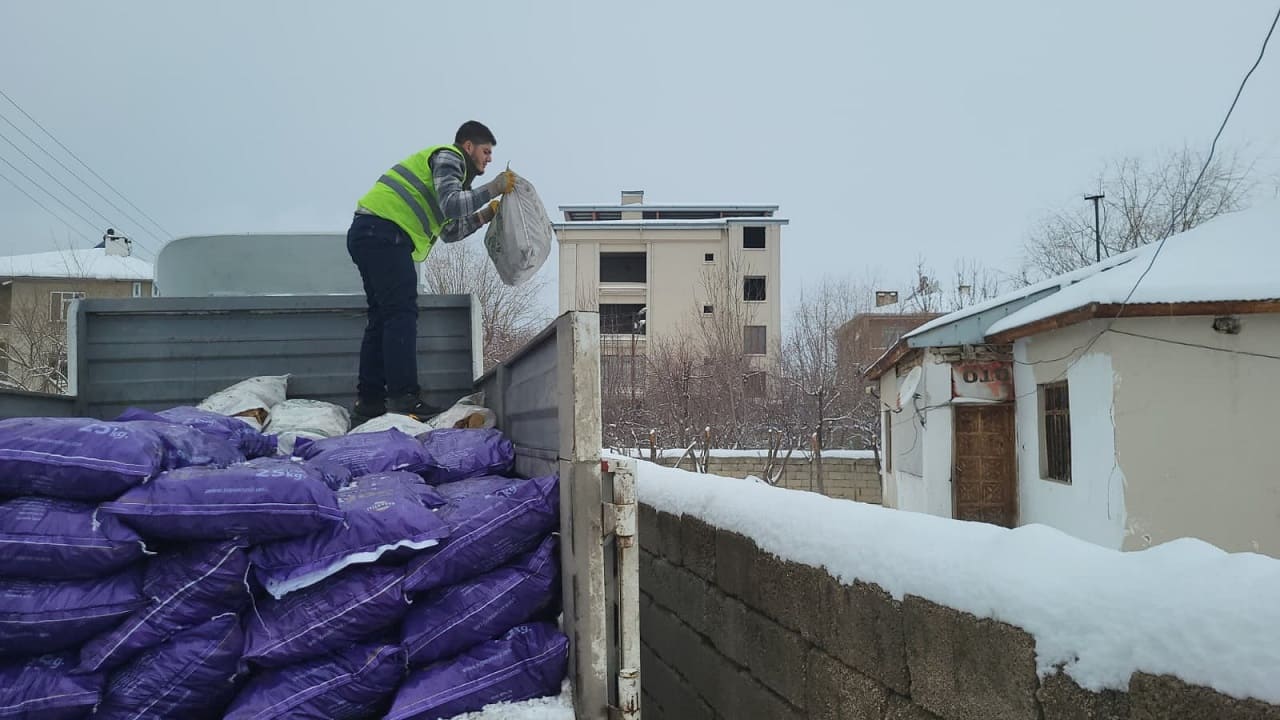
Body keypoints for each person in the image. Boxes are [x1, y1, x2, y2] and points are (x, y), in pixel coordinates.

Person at [347, 120, 517, 424]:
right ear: (468, 146)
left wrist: (485, 214)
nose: (489, 159)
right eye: (486, 151)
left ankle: (370, 401)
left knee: (382, 318)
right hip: (386, 233)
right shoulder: (449, 158)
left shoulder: (452, 181)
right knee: (401, 314)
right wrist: (493, 188)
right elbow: (453, 206)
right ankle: (404, 397)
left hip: (369, 232)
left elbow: (450, 231)